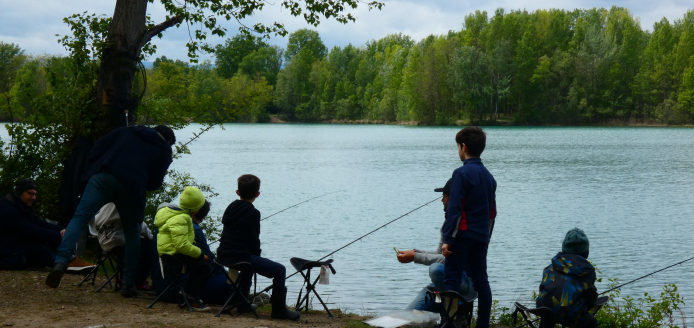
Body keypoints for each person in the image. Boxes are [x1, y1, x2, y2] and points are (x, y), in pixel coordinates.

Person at [46, 124, 175, 298]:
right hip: (131, 189)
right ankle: (128, 284)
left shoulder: (128, 130)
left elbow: (100, 145)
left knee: (79, 218)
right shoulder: (165, 150)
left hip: (103, 176)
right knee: (132, 232)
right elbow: (155, 183)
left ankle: (61, 262)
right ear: (168, 140)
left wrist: (94, 167)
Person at [217, 174, 300, 321]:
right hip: (240, 257)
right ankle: (279, 311)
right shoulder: (253, 213)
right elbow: (254, 240)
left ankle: (242, 304)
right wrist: (257, 255)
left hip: (223, 256)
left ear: (237, 192)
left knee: (249, 263)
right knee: (280, 270)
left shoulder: (229, 208)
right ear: (257, 194)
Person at [441, 126, 497, 328]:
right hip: (481, 236)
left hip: (462, 235)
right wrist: (486, 236)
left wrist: (448, 239)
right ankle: (482, 325)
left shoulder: (461, 174)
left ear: (463, 147)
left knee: (452, 278)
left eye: (458, 147)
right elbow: (492, 213)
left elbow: (455, 210)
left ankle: (450, 323)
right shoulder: (490, 177)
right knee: (482, 280)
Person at [398, 178, 473, 312]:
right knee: (408, 315)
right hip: (444, 280)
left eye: (444, 196)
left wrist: (415, 257)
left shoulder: (463, 224)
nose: (442, 200)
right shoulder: (447, 223)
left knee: (436, 269)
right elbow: (440, 253)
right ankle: (446, 309)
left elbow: (450, 260)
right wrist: (416, 252)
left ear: (453, 198)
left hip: (464, 281)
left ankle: (457, 312)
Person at [155, 186, 212, 312]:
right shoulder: (182, 218)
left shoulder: (176, 214)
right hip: (173, 253)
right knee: (205, 267)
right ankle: (192, 298)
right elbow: (181, 245)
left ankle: (185, 294)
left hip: (168, 250)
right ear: (197, 210)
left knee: (198, 266)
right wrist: (200, 254)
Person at [536, 228, 598, 328]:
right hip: (571, 314)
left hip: (544, 309)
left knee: (547, 314)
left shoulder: (550, 267)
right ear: (586, 251)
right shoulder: (587, 271)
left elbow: (542, 289)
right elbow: (591, 296)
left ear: (564, 248)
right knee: (591, 322)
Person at [0, 179, 64, 270]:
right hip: (7, 256)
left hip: (18, 248)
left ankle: (68, 260)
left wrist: (63, 230)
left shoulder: (22, 205)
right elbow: (31, 230)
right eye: (30, 193)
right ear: (20, 193)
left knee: (48, 241)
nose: (33, 197)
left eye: (34, 194)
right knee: (42, 250)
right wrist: (59, 236)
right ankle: (63, 265)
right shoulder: (8, 210)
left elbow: (39, 222)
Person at [89, 203, 154, 290]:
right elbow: (139, 225)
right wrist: (152, 238)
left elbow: (92, 228)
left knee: (132, 244)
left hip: (104, 242)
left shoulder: (105, 205)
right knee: (148, 246)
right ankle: (138, 281)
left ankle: (124, 277)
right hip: (120, 243)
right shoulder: (125, 203)